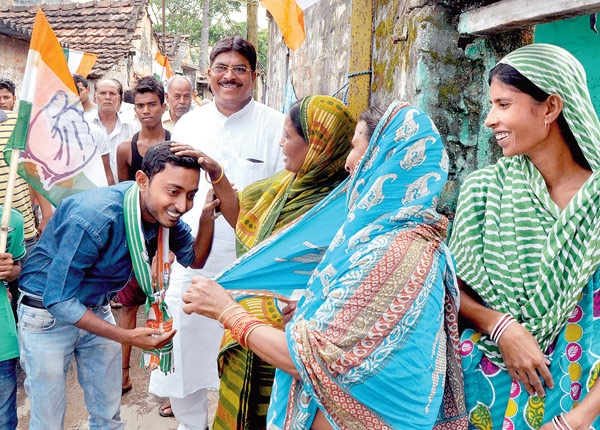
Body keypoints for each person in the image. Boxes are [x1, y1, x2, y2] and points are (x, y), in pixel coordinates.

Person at [180, 101, 467, 429]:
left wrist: (226, 311)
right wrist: (309, 308)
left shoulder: (391, 252)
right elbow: (356, 325)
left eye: (356, 147)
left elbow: (310, 358)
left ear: (383, 158)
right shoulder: (384, 237)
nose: (348, 163)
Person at [178, 94, 356, 429]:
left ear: (317, 145)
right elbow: (246, 225)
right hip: (249, 332)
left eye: (289, 137)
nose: (280, 144)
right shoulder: (282, 187)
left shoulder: (344, 207)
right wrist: (217, 175)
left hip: (295, 346)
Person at [449, 44, 600, 430]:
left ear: (550, 107)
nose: (488, 120)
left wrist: (577, 420)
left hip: (584, 404)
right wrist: (500, 327)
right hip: (490, 399)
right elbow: (452, 291)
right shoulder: (484, 191)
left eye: (503, 104)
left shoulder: (595, 203)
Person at [17, 141, 214, 430]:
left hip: (94, 306)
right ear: (143, 180)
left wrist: (208, 218)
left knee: (109, 416)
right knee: (48, 421)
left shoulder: (161, 214)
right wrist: (127, 336)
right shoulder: (95, 216)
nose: (182, 206)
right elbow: (58, 300)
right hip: (45, 316)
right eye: (174, 191)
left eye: (191, 195)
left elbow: (194, 259)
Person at [148, 35, 285, 427]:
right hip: (192, 261)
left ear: (254, 76)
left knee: (248, 352)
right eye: (222, 68)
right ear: (208, 75)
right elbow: (165, 193)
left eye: (240, 69)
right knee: (184, 352)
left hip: (253, 267)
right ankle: (192, 423)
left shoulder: (275, 126)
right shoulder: (189, 124)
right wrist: (162, 252)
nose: (230, 76)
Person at [115, 76, 171, 394]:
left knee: (167, 307)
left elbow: (182, 199)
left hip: (168, 240)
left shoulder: (177, 143)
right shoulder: (126, 149)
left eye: (152, 104)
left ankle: (165, 382)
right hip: (135, 241)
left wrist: (171, 248)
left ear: (163, 105)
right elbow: (123, 198)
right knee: (129, 308)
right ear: (133, 109)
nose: (146, 111)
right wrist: (130, 250)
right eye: (140, 105)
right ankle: (123, 372)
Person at [0, 110, 51, 317]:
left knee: (27, 298)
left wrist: (47, 213)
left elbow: (34, 169)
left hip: (22, 230)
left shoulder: (17, 122)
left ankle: (21, 347)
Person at [0, 204, 27, 430]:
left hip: (3, 341)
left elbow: (17, 266)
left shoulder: (10, 220)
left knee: (5, 420)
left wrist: (10, 270)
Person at [85, 78, 139, 184]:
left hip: (124, 190)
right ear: (95, 98)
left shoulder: (131, 126)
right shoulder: (85, 126)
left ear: (118, 99)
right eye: (103, 93)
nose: (107, 97)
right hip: (91, 191)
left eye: (112, 94)